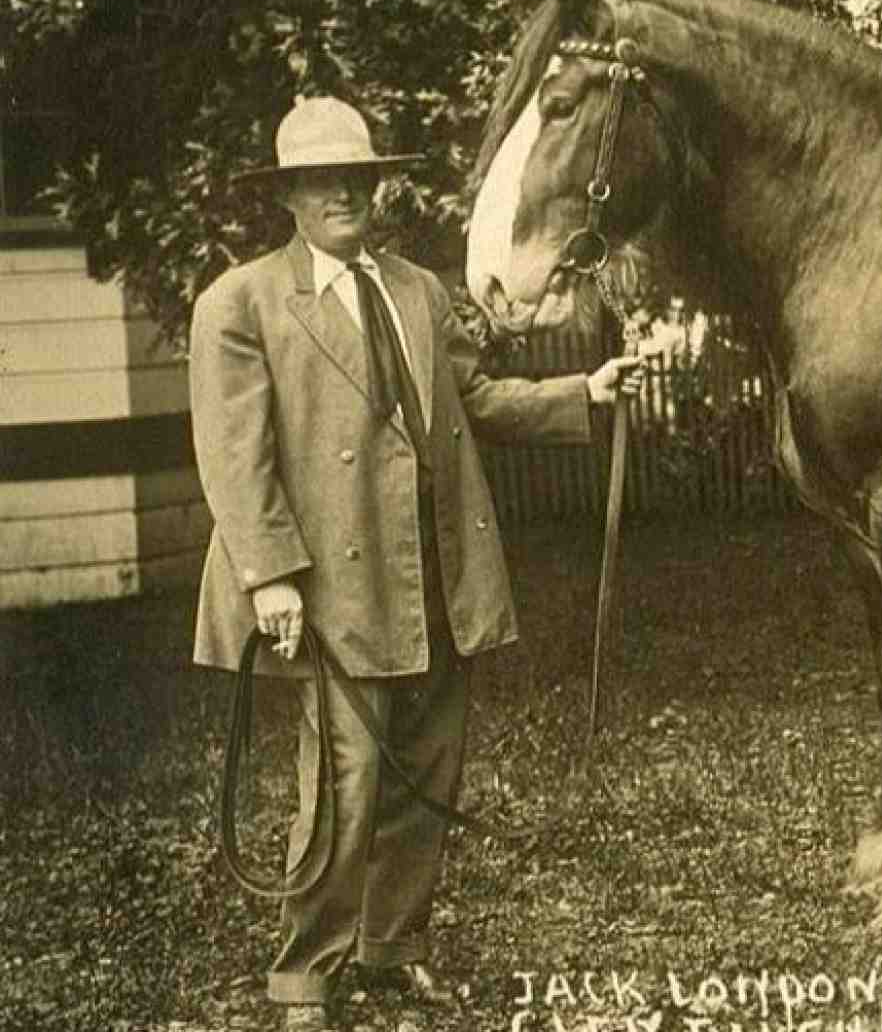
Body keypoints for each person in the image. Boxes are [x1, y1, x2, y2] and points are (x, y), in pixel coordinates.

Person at [189, 96, 640, 1031]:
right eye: (322, 181)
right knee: (345, 781)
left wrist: (582, 393)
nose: (342, 194)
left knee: (429, 772)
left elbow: (472, 400)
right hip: (326, 585)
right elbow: (236, 458)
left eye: (356, 177)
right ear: (291, 198)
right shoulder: (242, 304)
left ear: (373, 186)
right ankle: (305, 975)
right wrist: (269, 575)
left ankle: (392, 949)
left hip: (434, 574)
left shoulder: (417, 292)